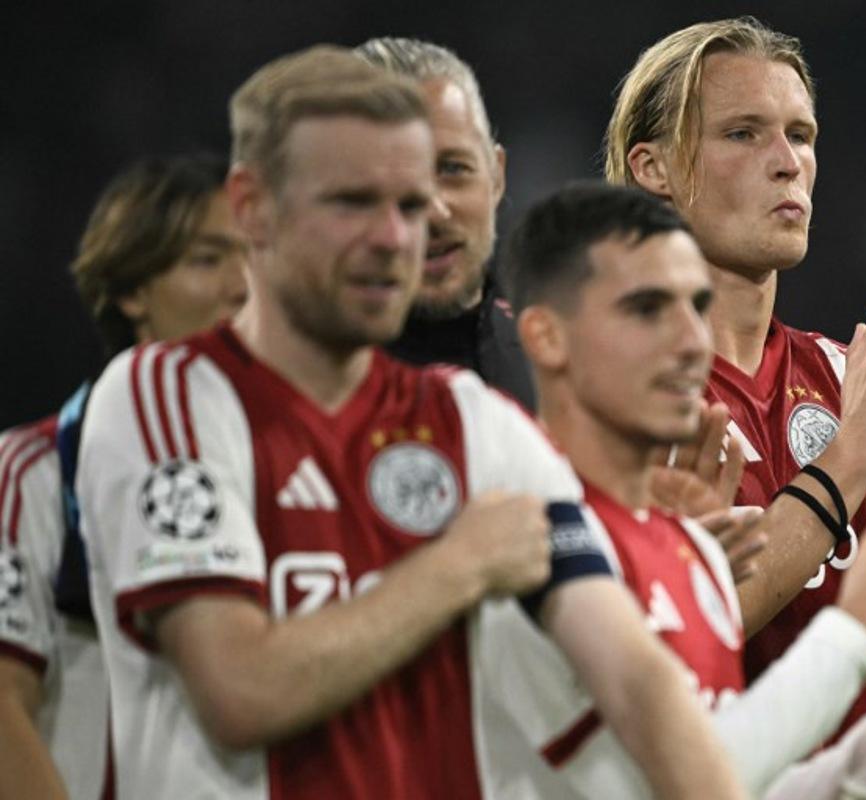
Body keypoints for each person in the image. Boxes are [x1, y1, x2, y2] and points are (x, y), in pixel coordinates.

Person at [77, 46, 747, 799]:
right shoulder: (165, 396)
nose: (400, 236)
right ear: (251, 208)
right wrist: (457, 565)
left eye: (411, 204)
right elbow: (238, 690)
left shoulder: (470, 421)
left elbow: (635, 679)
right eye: (352, 202)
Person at [495, 181, 866, 798]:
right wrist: (854, 633)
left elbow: (711, 767)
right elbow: (685, 782)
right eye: (647, 308)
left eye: (692, 305)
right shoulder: (528, 522)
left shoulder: (832, 386)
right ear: (547, 337)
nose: (687, 339)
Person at [606, 17, 866, 737]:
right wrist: (856, 452)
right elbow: (689, 625)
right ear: (654, 170)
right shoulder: (610, 384)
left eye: (800, 136)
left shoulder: (841, 379)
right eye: (743, 133)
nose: (786, 162)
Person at [0, 152, 247, 800]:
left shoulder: (289, 473)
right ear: (131, 290)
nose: (242, 287)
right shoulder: (32, 473)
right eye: (208, 259)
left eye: (256, 256)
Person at [356, 36, 535, 410]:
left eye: (453, 168)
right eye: (392, 182)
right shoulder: (283, 386)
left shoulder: (567, 368)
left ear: (496, 176)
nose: (434, 211)